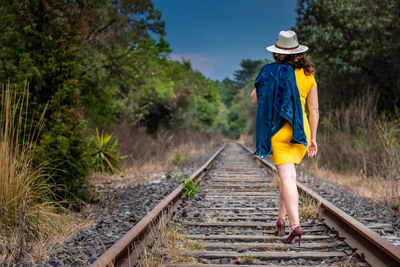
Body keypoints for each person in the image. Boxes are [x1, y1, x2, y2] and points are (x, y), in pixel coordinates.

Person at [250, 30, 319, 246]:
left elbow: (255, 100)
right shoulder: (308, 75)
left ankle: (294, 225)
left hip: (279, 130)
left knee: (287, 177)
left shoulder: (270, 73)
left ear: (277, 53)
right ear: (297, 52)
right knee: (288, 176)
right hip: (301, 131)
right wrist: (313, 139)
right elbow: (314, 109)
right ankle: (280, 219)